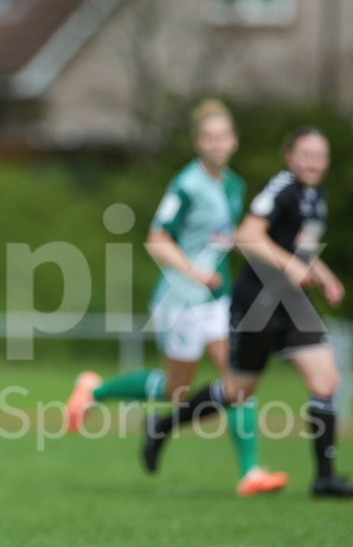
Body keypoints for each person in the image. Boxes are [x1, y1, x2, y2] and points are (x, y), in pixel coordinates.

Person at [64, 100, 287, 496]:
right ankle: (93, 391)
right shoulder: (186, 184)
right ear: (199, 142)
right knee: (176, 390)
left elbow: (226, 236)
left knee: (238, 381)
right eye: (209, 137)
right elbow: (157, 240)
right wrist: (195, 271)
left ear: (233, 141)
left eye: (224, 137)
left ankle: (250, 472)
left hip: (216, 301)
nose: (217, 144)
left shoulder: (233, 184)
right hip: (180, 301)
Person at [141, 127, 353, 499]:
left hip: (292, 303)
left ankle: (325, 477)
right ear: (289, 157)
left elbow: (301, 248)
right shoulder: (281, 188)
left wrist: (325, 277)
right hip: (257, 300)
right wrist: (291, 266)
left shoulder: (315, 197)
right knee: (237, 392)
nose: (313, 162)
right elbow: (247, 235)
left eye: (319, 156)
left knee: (326, 382)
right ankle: (163, 426)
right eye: (305, 155)